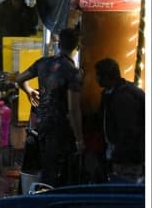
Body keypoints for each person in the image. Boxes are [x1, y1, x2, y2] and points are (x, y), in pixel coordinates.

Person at [15, 28, 84, 187]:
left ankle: (44, 200)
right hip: (61, 129)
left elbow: (19, 79)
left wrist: (29, 90)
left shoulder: (42, 63)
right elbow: (73, 109)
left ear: (59, 44)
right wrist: (80, 140)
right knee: (61, 173)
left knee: (47, 167)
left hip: (43, 124)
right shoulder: (73, 73)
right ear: (76, 47)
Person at [95, 58, 145, 183]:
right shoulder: (115, 93)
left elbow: (129, 131)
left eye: (98, 75)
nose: (96, 78)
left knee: (126, 186)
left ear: (106, 76)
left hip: (128, 157)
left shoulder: (123, 98)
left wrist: (118, 155)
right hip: (124, 155)